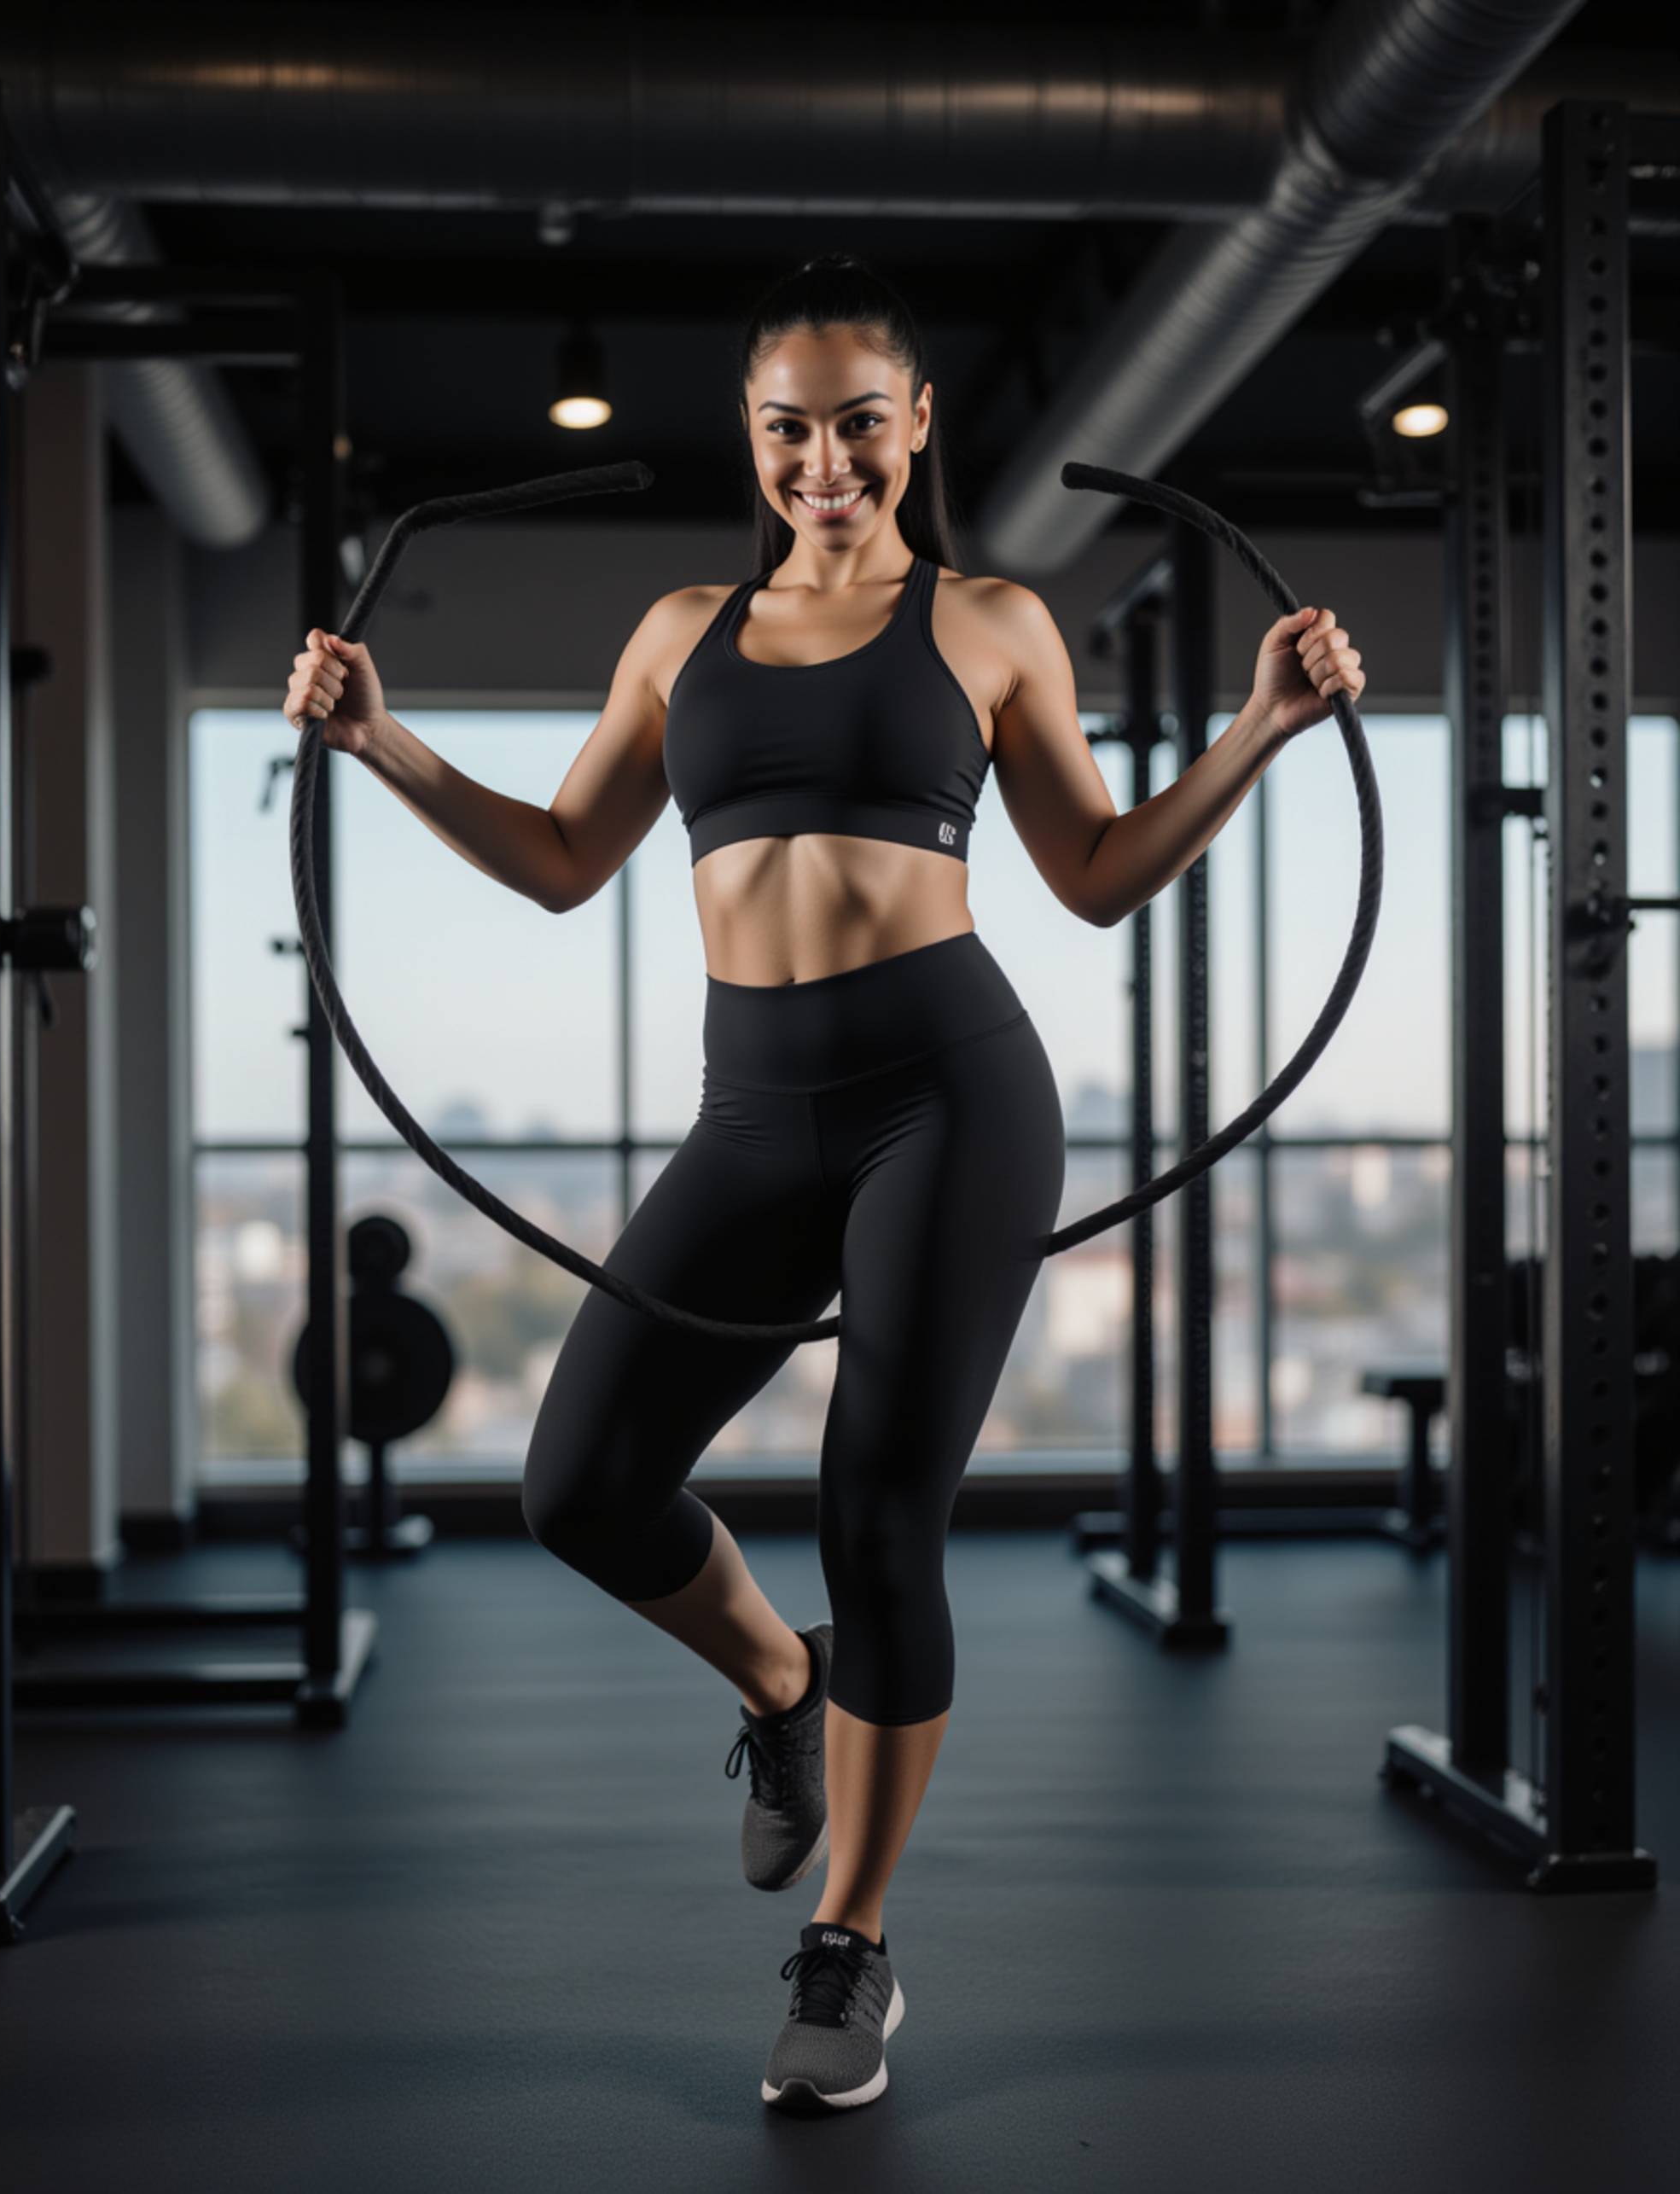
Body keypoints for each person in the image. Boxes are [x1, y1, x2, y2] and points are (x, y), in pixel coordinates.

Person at [283, 250, 1365, 2114]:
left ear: (918, 423)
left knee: (879, 1508)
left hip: (950, 1095)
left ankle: (850, 1941)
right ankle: (788, 1687)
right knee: (579, 1482)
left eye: (861, 424)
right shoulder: (679, 630)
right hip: (751, 1110)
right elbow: (561, 859)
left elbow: (1098, 873)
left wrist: (1261, 729)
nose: (826, 462)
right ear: (752, 433)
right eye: (789, 429)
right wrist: (379, 739)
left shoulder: (992, 623)